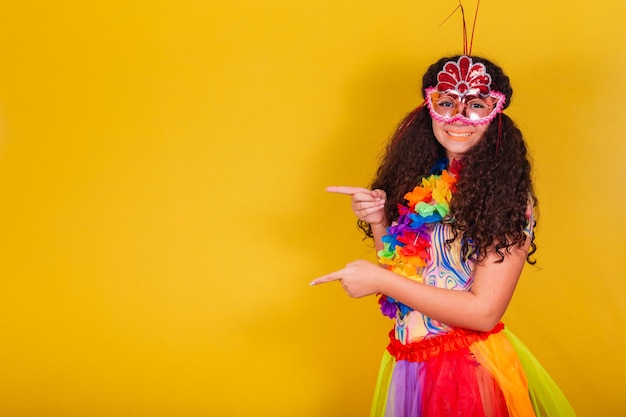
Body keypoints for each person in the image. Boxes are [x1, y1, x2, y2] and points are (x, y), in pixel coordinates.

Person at [311, 55, 577, 417]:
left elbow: (484, 313)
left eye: (476, 105)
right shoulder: (423, 185)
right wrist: (378, 222)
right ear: (430, 107)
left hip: (467, 371)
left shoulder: (507, 198)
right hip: (411, 364)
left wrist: (377, 282)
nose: (457, 117)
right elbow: (404, 274)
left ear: (494, 114)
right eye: (447, 102)